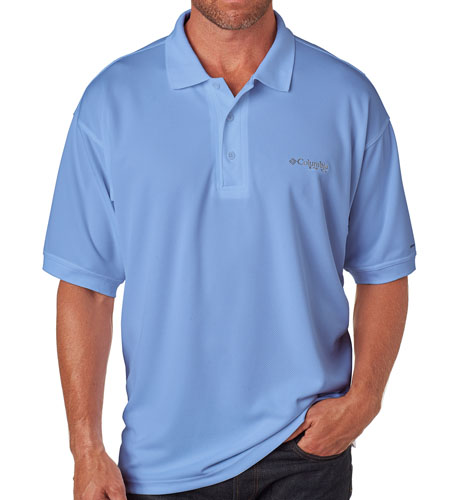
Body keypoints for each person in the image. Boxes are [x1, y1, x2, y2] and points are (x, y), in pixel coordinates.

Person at [42, 1, 417, 499]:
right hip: (161, 465)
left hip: (305, 450)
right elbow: (87, 288)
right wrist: (86, 449)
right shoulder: (111, 101)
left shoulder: (348, 98)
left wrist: (366, 399)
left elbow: (384, 267)